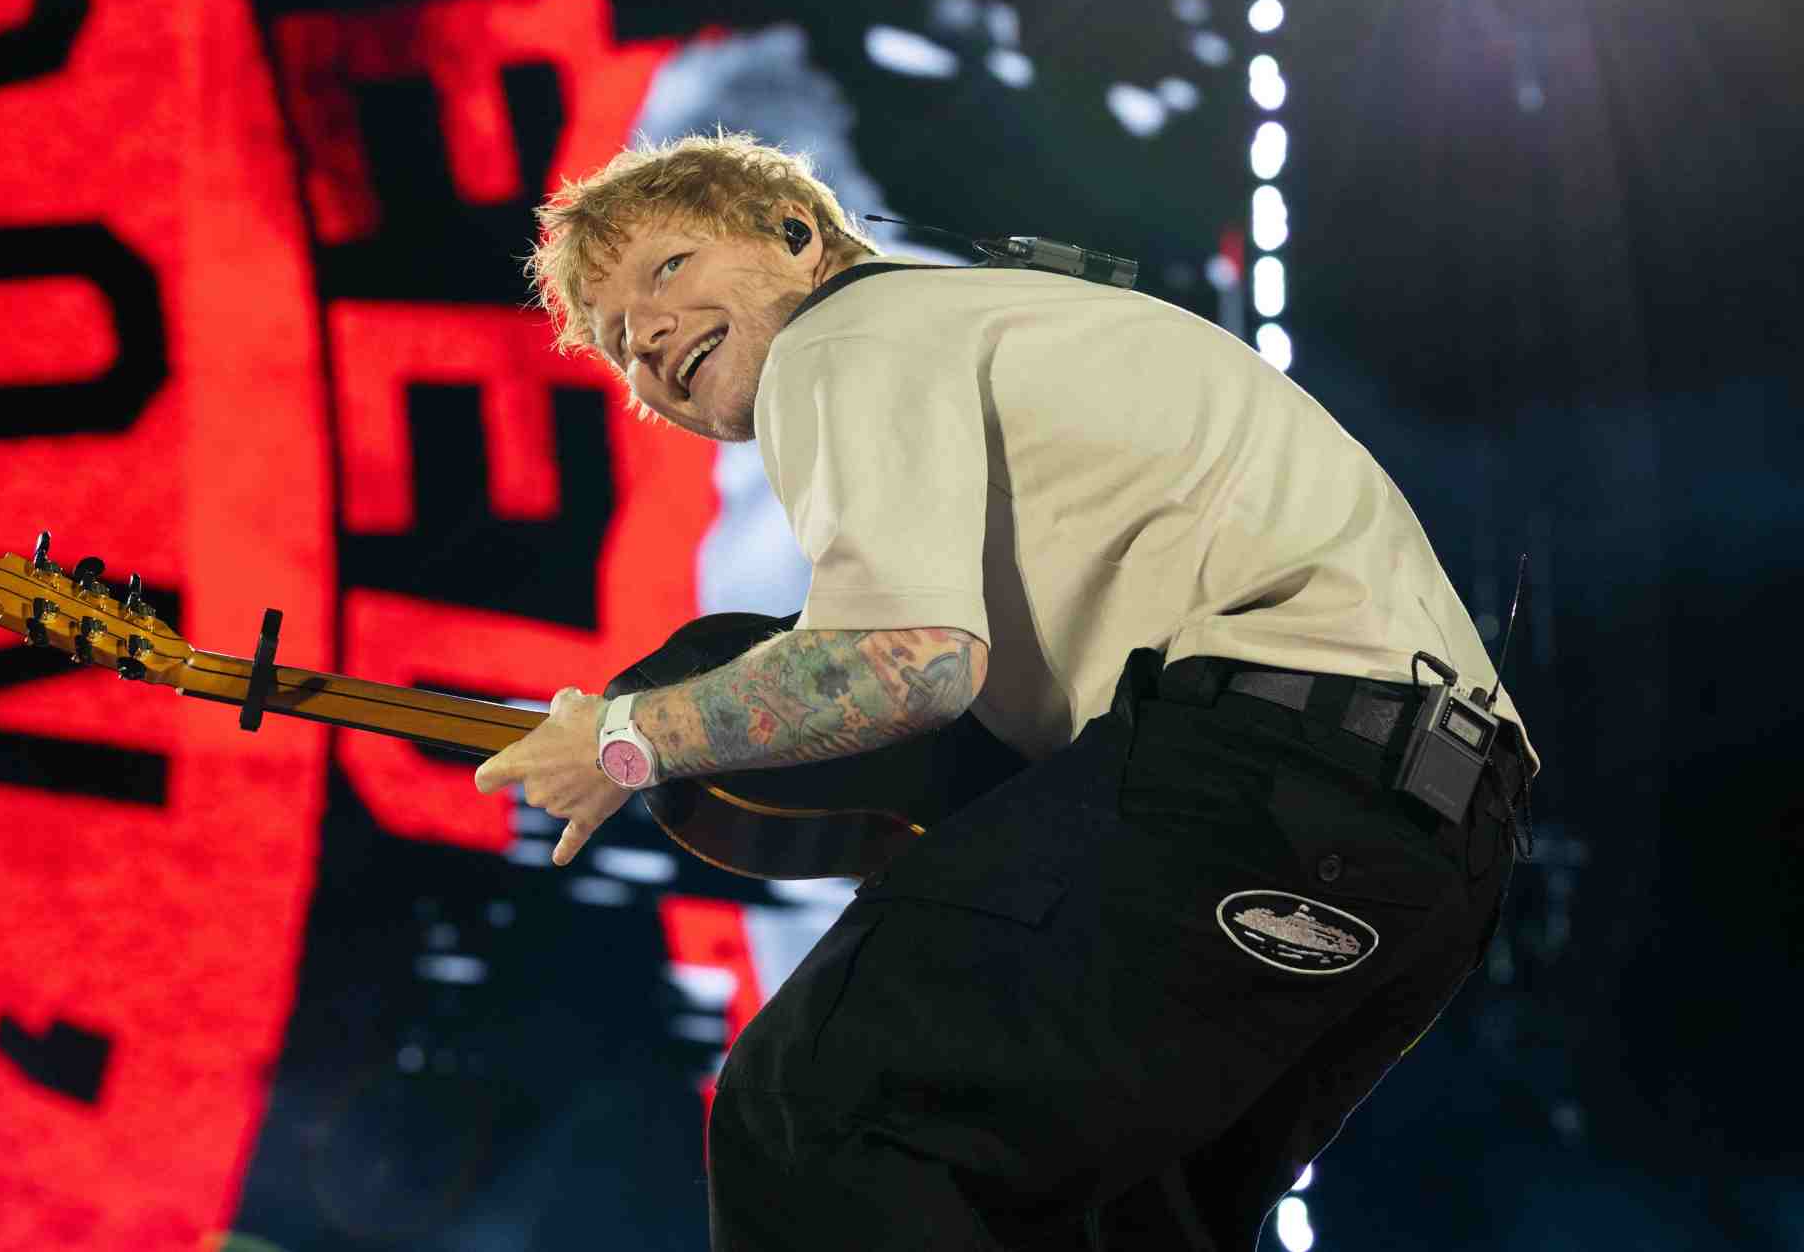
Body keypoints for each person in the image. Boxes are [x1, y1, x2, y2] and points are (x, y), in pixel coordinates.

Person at [473, 130, 1537, 1250]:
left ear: (794, 237)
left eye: (668, 268)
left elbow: (908, 659)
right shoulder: (1003, 335)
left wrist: (625, 738)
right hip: (1438, 843)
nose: (644, 335)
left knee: (819, 1110)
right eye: (615, 343)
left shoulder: (845, 334)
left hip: (1264, 772)